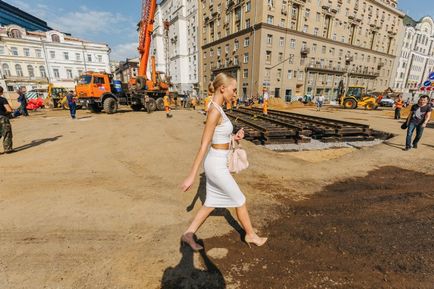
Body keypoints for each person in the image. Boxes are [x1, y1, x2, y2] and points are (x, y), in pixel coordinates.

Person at [180, 73, 267, 251]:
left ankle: (188, 234)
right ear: (222, 88)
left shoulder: (218, 108)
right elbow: (204, 145)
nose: (235, 94)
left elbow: (219, 137)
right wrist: (192, 176)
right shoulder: (214, 111)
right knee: (240, 199)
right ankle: (250, 235)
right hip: (216, 164)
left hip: (218, 159)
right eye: (233, 90)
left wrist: (234, 137)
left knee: (210, 203)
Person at [0, 86, 14, 154]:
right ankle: (8, 149)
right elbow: (8, 109)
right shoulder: (2, 99)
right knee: (7, 133)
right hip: (2, 118)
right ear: (1, 92)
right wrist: (7, 112)